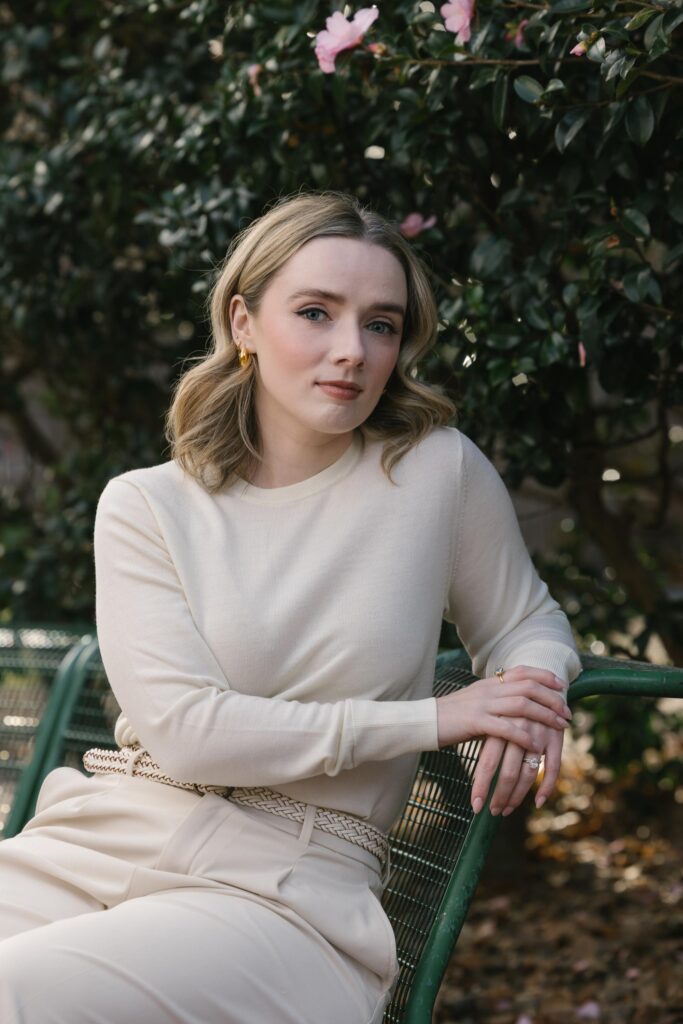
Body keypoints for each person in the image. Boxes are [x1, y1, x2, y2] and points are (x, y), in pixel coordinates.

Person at [0, 190, 580, 1024]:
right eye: (315, 312)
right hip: (103, 837)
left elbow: (525, 621)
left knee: (21, 989)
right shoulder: (147, 504)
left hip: (291, 888)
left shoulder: (434, 472)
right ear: (243, 322)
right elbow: (187, 732)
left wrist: (531, 686)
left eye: (380, 324)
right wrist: (432, 718)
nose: (351, 350)